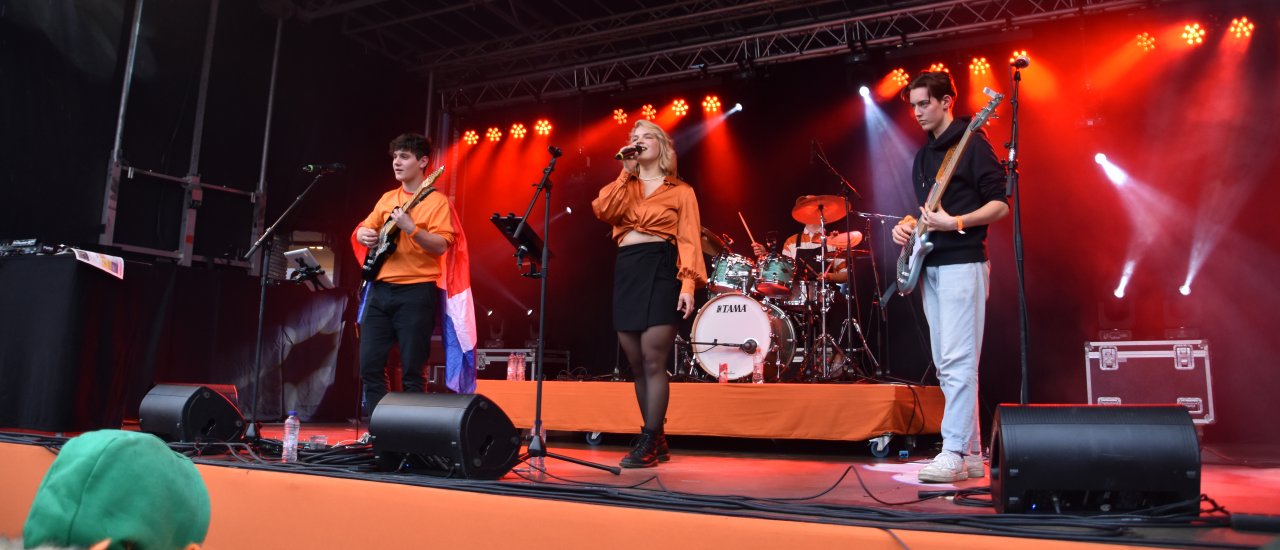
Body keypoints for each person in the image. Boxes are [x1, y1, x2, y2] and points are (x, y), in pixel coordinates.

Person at [891, 71, 1008, 483]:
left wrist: (955, 222)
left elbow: (1000, 205)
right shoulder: (924, 155)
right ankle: (974, 453)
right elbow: (926, 211)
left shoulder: (972, 143)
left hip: (963, 262)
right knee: (947, 365)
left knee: (958, 362)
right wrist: (907, 225)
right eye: (914, 105)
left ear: (946, 101)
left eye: (924, 103)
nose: (918, 112)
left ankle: (953, 450)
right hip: (931, 266)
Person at [592, 120, 706, 468]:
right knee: (636, 363)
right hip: (628, 267)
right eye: (633, 139)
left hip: (661, 267)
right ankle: (656, 437)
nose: (638, 143)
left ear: (661, 146)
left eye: (645, 138)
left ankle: (648, 439)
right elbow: (602, 210)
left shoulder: (681, 191)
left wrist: (688, 285)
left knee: (654, 357)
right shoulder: (624, 185)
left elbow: (689, 239)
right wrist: (625, 173)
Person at [354, 133, 455, 414]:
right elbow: (365, 228)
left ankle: (411, 435)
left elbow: (442, 244)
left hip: (416, 291)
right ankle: (380, 432)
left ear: (423, 162)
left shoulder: (437, 202)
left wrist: (412, 228)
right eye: (395, 156)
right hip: (380, 290)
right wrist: (364, 235)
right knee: (370, 366)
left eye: (405, 156)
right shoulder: (387, 198)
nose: (397, 162)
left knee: (413, 369)